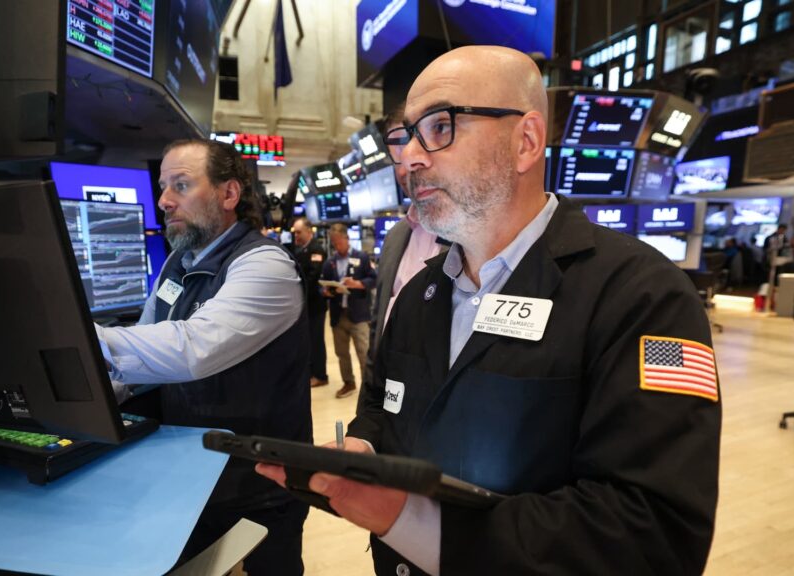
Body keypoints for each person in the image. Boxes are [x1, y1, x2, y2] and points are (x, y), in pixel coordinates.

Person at [258, 46, 720, 575]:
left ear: (526, 142)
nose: (410, 159)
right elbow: (384, 406)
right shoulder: (420, 294)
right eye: (407, 136)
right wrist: (362, 447)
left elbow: (655, 534)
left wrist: (411, 521)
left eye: (440, 127)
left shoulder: (644, 296)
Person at [95, 139, 311, 576]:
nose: (163, 201)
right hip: (192, 474)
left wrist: (81, 339)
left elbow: (193, 348)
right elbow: (146, 350)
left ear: (228, 194)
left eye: (181, 185)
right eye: (162, 187)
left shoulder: (264, 265)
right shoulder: (177, 262)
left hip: (258, 485)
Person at [362, 104, 448, 400]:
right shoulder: (396, 236)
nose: (406, 166)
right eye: (398, 149)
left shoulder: (472, 236)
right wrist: (368, 408)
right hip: (387, 396)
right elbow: (378, 326)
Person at [321, 222, 377, 399]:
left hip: (359, 314)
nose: (337, 246)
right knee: (341, 353)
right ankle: (348, 383)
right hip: (338, 315)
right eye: (334, 243)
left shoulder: (362, 257)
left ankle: (368, 388)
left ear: (347, 238)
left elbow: (374, 279)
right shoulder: (330, 262)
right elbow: (323, 285)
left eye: (339, 242)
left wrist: (358, 284)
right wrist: (326, 291)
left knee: (363, 351)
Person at [291, 216, 330, 388]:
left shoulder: (316, 250)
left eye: (299, 232)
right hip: (305, 305)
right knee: (307, 341)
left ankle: (320, 375)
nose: (296, 236)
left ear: (309, 231)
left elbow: (312, 278)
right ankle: (311, 372)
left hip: (315, 305)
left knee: (316, 341)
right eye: (295, 233)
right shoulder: (301, 250)